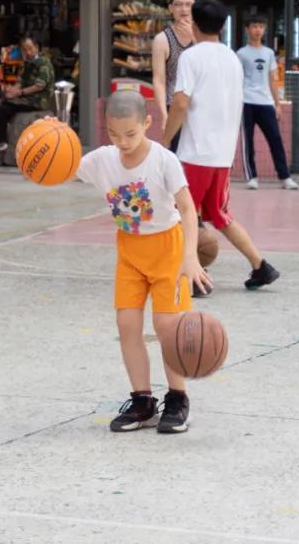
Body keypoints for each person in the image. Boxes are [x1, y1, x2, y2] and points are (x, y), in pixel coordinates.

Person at [76, 90, 212, 434]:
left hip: (168, 250)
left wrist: (191, 256)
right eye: (114, 134)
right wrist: (52, 131)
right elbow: (61, 164)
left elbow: (187, 209)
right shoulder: (102, 160)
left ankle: (178, 399)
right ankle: (142, 402)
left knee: (167, 328)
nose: (122, 142)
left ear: (147, 123)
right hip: (130, 252)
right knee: (126, 325)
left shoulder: (164, 160)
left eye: (130, 134)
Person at [162, 0, 281, 296]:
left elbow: (180, 103)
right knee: (219, 215)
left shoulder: (191, 57)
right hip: (222, 154)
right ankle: (261, 266)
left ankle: (194, 278)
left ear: (194, 24)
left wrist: (164, 141)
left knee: (183, 214)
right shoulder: (232, 58)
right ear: (223, 26)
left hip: (196, 152)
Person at [238, 14, 298, 191]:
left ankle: (285, 177)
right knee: (247, 141)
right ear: (247, 29)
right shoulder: (241, 54)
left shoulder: (269, 53)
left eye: (261, 27)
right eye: (254, 26)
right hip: (246, 101)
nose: (258, 30)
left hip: (265, 102)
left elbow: (273, 79)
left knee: (275, 139)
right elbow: (237, 79)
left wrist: (277, 103)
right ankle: (251, 177)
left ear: (264, 30)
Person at [0, 35, 55, 156]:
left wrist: (19, 92)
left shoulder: (44, 63)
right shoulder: (27, 63)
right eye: (25, 50)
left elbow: (39, 86)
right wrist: (12, 90)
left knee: (4, 107)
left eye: (30, 48)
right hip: (26, 97)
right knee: (3, 96)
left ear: (36, 47)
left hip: (37, 100)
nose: (28, 52)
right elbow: (21, 81)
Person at [151, 0, 196, 153]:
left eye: (188, 4)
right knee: (177, 155)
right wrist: (164, 114)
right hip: (175, 105)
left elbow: (215, 66)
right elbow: (159, 80)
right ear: (171, 8)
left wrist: (194, 37)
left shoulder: (205, 35)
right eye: (178, 4)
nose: (184, 9)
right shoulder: (162, 39)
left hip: (201, 105)